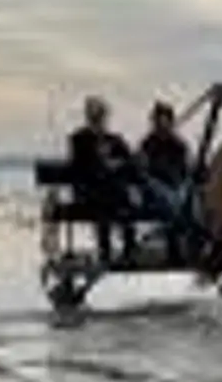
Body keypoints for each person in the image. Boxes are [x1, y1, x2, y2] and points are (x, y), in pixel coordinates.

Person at [67, 95, 137, 260]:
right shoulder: (79, 139)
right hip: (89, 191)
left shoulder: (115, 139)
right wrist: (102, 163)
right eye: (94, 115)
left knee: (122, 199)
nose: (98, 119)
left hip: (112, 191)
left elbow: (130, 161)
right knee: (109, 197)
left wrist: (117, 164)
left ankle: (128, 246)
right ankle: (106, 248)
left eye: (100, 115)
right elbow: (80, 167)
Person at [138, 101, 193, 259]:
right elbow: (146, 171)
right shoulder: (148, 144)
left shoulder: (179, 144)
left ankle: (191, 242)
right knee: (171, 200)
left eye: (166, 121)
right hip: (155, 190)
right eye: (159, 121)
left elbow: (186, 169)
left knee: (186, 195)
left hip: (177, 187)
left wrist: (183, 183)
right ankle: (176, 247)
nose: (163, 125)